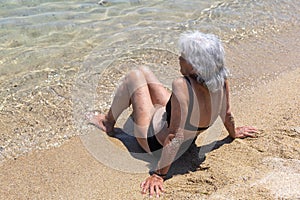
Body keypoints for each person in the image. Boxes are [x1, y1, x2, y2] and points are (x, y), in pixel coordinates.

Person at [87, 31, 258, 198]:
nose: (179, 58)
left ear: (195, 65)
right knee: (144, 71)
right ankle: (124, 114)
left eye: (183, 56)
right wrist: (233, 133)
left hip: (154, 141)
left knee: (134, 77)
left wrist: (159, 175)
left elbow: (174, 136)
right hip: (187, 139)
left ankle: (107, 123)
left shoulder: (182, 85)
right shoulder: (220, 80)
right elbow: (227, 114)